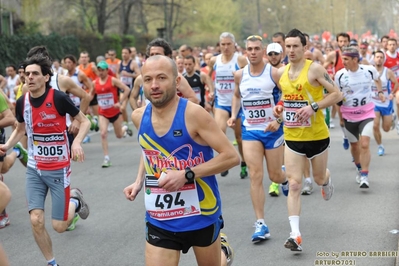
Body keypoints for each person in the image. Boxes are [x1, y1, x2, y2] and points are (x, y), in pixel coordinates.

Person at [123, 55, 238, 266]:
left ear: (177, 82)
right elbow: (150, 149)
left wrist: (186, 175)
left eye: (161, 78)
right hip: (161, 218)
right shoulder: (139, 117)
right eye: (148, 80)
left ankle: (222, 250)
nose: (154, 85)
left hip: (202, 213)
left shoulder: (194, 114)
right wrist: (139, 181)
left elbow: (231, 156)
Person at [0, 54, 91, 266]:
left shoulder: (58, 98)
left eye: (34, 74)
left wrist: (76, 142)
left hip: (59, 169)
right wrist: (7, 145)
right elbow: (20, 129)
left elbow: (84, 121)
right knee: (36, 219)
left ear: (46, 77)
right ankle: (52, 262)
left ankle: (75, 200)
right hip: (35, 170)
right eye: (27, 74)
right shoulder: (22, 101)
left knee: (59, 226)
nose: (29, 77)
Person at [274, 28, 342, 252]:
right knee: (294, 184)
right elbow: (287, 97)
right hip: (292, 136)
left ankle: (326, 179)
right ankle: (295, 235)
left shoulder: (314, 69)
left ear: (305, 48)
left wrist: (314, 107)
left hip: (317, 136)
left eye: (295, 46)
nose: (291, 50)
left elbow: (336, 94)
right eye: (288, 46)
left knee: (319, 178)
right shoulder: (282, 72)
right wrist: (280, 108)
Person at [227, 36, 288, 243]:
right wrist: (234, 115)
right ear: (245, 51)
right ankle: (260, 223)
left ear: (263, 51)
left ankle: (285, 179)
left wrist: (279, 120)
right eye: (249, 49)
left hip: (272, 131)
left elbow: (288, 95)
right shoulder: (239, 75)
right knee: (255, 175)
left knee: (275, 176)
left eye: (256, 49)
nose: (253, 52)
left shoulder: (274, 73)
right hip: (250, 130)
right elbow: (236, 95)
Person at [335, 47, 385, 188]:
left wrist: (380, 92)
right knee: (355, 146)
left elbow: (378, 80)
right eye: (342, 58)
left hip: (367, 113)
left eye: (346, 59)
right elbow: (337, 95)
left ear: (355, 59)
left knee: (364, 144)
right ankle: (358, 167)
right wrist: (339, 106)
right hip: (349, 114)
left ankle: (364, 174)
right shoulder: (339, 75)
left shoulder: (369, 70)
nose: (342, 61)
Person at [208, 32, 248, 178]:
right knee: (220, 132)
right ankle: (226, 161)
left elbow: (250, 76)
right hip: (221, 102)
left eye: (228, 44)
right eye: (223, 44)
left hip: (238, 103)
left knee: (239, 137)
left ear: (233, 45)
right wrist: (211, 90)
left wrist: (239, 77)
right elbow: (207, 75)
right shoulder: (214, 60)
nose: (225, 47)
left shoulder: (240, 60)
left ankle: (243, 162)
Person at [129, 38, 199, 110]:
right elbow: (132, 97)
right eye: (152, 54)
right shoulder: (141, 78)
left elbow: (194, 99)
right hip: (149, 120)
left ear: (167, 56)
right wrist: (139, 114)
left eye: (158, 54)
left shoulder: (175, 77)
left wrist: (173, 112)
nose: (154, 57)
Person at [95, 61, 132, 168]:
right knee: (103, 133)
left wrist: (119, 103)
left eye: (102, 70)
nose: (100, 72)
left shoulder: (113, 80)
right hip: (103, 113)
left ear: (107, 70)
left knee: (119, 135)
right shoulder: (95, 82)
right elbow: (89, 95)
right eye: (99, 70)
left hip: (114, 112)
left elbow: (127, 89)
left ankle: (124, 128)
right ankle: (106, 158)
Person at [372, 50, 398, 156]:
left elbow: (395, 83)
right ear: (373, 59)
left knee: (386, 129)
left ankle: (393, 119)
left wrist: (392, 93)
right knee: (375, 125)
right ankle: (380, 146)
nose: (379, 59)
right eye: (377, 57)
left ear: (384, 60)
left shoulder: (388, 71)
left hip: (386, 103)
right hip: (374, 103)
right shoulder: (370, 71)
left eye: (381, 57)